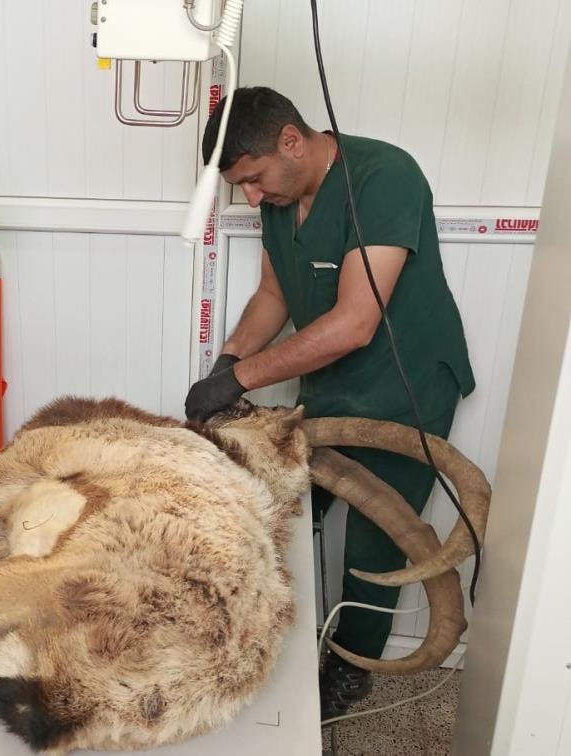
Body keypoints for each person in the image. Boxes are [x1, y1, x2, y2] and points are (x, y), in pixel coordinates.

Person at [184, 87, 475, 720]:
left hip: (405, 385)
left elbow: (354, 325)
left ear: (292, 140)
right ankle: (268, 647)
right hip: (331, 381)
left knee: (378, 538)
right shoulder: (280, 196)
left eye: (256, 180)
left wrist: (242, 382)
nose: (253, 198)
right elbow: (273, 292)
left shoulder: (384, 176)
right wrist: (229, 360)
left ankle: (349, 667)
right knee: (281, 512)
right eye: (243, 189)